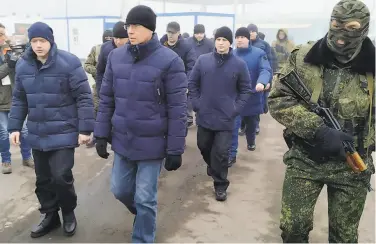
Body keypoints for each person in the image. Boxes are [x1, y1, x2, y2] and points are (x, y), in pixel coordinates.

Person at [268, 0, 375, 242]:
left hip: (352, 164)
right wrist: (318, 130)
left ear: (364, 28)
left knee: (344, 237)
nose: (340, 35)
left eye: (351, 27)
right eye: (336, 24)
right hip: (306, 158)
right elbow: (278, 100)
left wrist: (364, 141)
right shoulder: (304, 57)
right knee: (293, 229)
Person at [94, 5, 187, 243]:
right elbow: (107, 98)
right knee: (119, 190)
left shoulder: (170, 61)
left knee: (146, 197)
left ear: (150, 29)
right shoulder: (116, 57)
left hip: (153, 143)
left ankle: (143, 237)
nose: (130, 31)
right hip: (123, 138)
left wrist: (175, 149)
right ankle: (145, 215)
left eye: (136, 26)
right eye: (128, 26)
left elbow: (178, 110)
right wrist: (101, 133)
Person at [8, 22, 94, 238]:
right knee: (43, 179)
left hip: (64, 130)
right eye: (34, 41)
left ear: (50, 41)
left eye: (42, 41)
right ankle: (50, 215)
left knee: (61, 176)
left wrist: (85, 128)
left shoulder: (69, 63)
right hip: (37, 133)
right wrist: (15, 126)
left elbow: (83, 97)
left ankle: (68, 212)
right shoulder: (23, 65)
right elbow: (19, 98)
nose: (38, 45)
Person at [189, 26, 252, 201]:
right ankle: (213, 166)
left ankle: (220, 185)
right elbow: (192, 84)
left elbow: (246, 90)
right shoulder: (203, 61)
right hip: (205, 115)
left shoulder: (239, 64)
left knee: (222, 153)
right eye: (218, 39)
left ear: (229, 42)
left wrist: (236, 108)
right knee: (203, 146)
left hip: (226, 118)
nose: (221, 43)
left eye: (224, 40)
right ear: (215, 41)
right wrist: (197, 103)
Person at [229, 27, 272, 167]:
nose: (239, 40)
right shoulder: (232, 54)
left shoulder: (259, 53)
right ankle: (231, 154)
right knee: (233, 126)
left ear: (248, 39)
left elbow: (265, 69)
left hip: (252, 96)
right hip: (235, 98)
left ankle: (251, 141)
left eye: (242, 37)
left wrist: (262, 82)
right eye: (237, 37)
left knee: (251, 123)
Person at [0, 23, 33, 174]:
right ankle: (6, 160)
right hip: (1, 100)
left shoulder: (11, 48)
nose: (4, 37)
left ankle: (27, 157)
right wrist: (9, 64)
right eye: (1, 35)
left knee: (24, 131)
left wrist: (23, 55)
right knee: (3, 133)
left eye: (4, 34)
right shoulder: (7, 56)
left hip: (16, 97)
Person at [160, 21, 196, 127]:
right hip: (162, 85)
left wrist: (186, 84)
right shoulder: (159, 45)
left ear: (179, 33)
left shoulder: (187, 47)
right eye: (169, 32)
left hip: (179, 86)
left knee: (178, 115)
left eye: (173, 33)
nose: (170, 35)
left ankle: (180, 139)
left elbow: (192, 67)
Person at [84, 29, 113, 147]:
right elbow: (87, 65)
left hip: (115, 86)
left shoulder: (118, 50)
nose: (109, 41)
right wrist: (97, 72)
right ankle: (97, 136)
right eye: (106, 39)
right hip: (99, 86)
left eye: (111, 39)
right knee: (97, 111)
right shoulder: (96, 49)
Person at [96, 21, 128, 96]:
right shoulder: (105, 48)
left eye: (122, 38)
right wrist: (100, 92)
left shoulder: (134, 49)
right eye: (116, 38)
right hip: (109, 92)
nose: (118, 41)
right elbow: (100, 72)